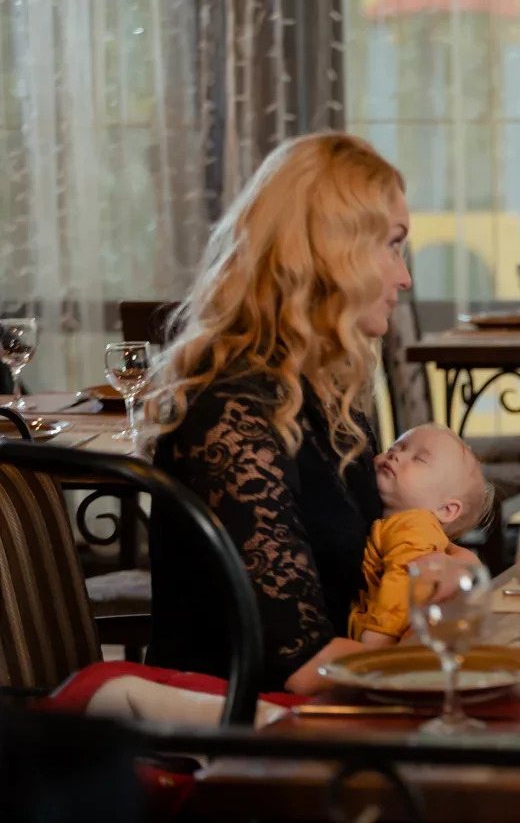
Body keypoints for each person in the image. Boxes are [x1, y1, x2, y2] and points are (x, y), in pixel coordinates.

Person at [146, 132, 480, 695]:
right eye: (393, 245)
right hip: (239, 723)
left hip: (330, 700)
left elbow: (381, 549)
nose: (404, 277)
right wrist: (453, 662)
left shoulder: (325, 391)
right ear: (332, 254)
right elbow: (299, 667)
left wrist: (458, 568)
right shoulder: (229, 411)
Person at [350, 424, 494, 647]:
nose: (396, 455)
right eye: (394, 448)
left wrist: (379, 636)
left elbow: (404, 581)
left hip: (388, 644)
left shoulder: (412, 526)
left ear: (446, 509)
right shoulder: (401, 524)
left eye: (418, 459)